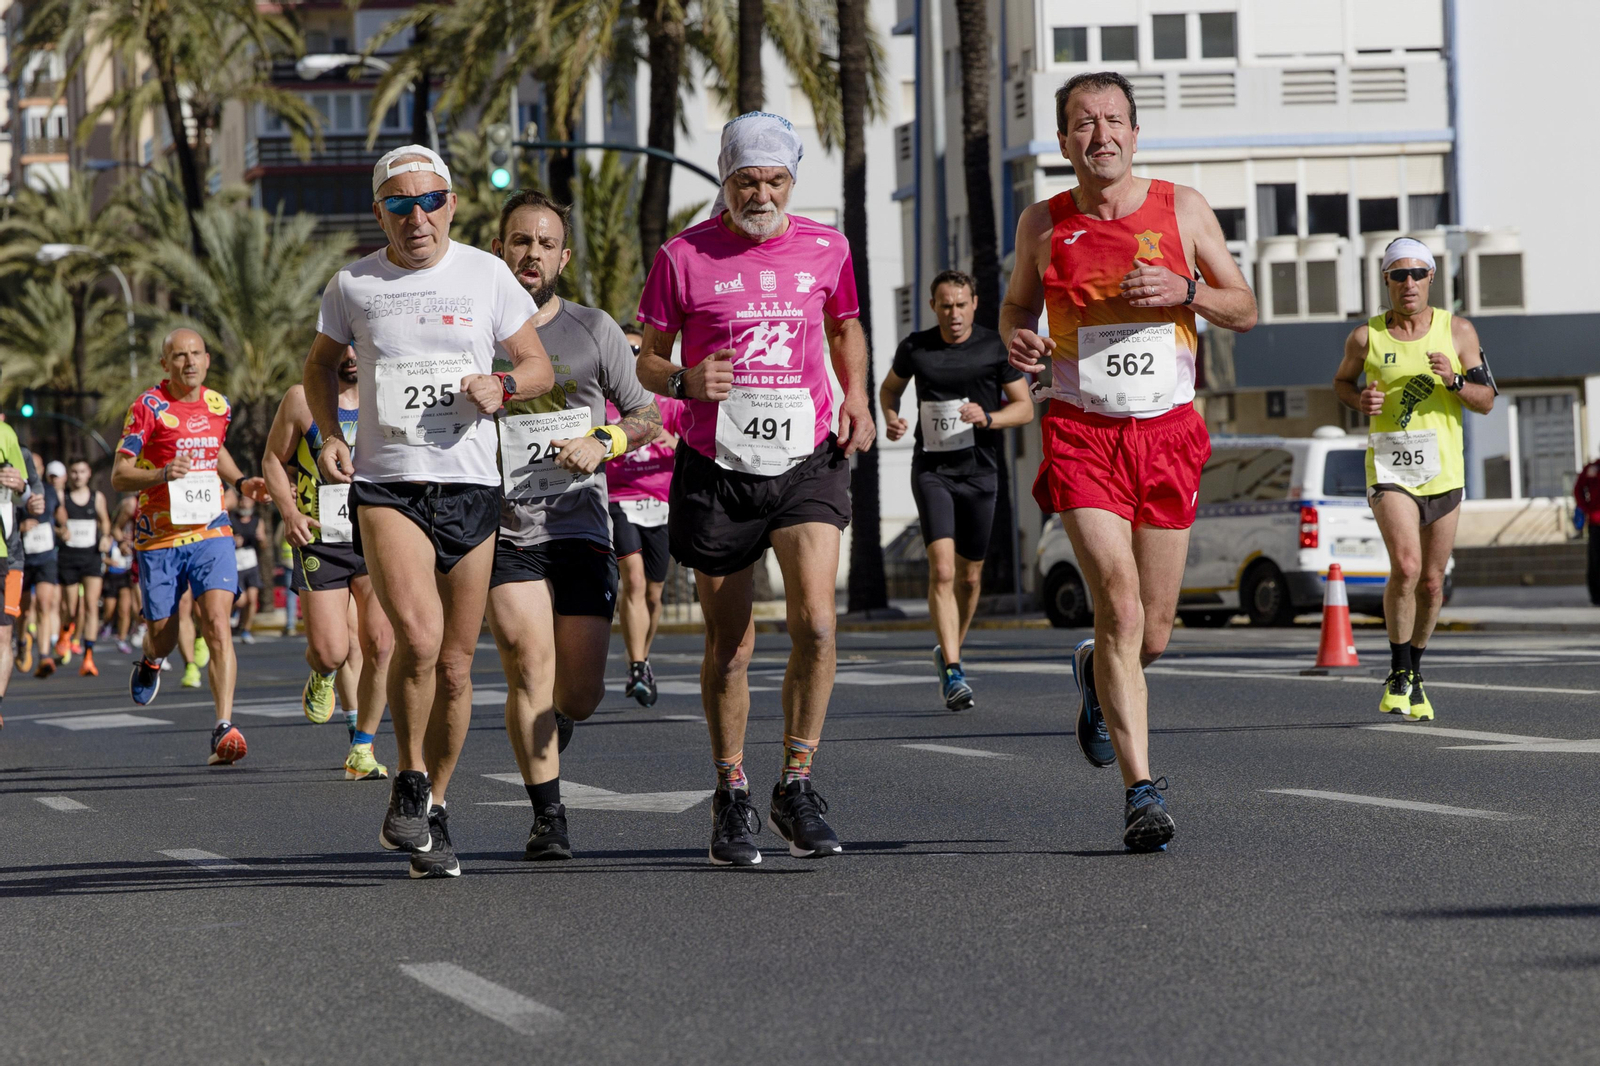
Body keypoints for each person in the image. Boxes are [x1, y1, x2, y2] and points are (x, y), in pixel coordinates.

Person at [1001, 72, 1257, 852]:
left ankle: (1094, 674)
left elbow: (1244, 307)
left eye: (1113, 120)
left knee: (1152, 634)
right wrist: (1017, 337)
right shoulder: (1043, 223)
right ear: (1064, 140)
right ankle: (1141, 791)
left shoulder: (1183, 208)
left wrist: (1187, 290)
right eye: (1084, 122)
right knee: (1116, 602)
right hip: (1082, 433)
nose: (1101, 134)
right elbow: (1016, 306)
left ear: (1135, 135)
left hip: (1168, 435)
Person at [304, 144, 552, 878]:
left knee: (455, 667)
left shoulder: (487, 274)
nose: (418, 217)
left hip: (471, 485)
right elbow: (319, 365)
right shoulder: (354, 284)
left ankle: (434, 809)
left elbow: (537, 365)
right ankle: (409, 777)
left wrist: (504, 387)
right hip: (390, 485)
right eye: (400, 204)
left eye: (431, 201)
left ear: (452, 204)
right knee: (417, 636)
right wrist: (329, 436)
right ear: (379, 212)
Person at [636, 111, 875, 866]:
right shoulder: (682, 257)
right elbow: (647, 360)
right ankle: (732, 789)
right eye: (747, 181)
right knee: (732, 646)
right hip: (719, 468)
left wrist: (857, 394)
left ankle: (795, 784)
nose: (761, 194)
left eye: (774, 180)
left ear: (791, 182)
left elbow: (845, 326)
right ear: (726, 180)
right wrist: (684, 380)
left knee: (818, 624)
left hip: (808, 458)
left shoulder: (828, 248)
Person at [485, 189, 663, 861]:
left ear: (563, 257)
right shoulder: (474, 329)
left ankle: (560, 718)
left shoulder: (594, 329)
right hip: (506, 529)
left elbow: (646, 415)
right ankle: (548, 817)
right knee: (527, 663)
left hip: (581, 526)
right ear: (499, 248)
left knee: (580, 693)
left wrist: (604, 441)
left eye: (545, 243)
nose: (531, 253)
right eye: (520, 241)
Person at [1334, 237, 1494, 721]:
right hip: (1390, 470)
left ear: (1431, 278)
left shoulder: (1457, 330)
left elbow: (1487, 399)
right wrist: (1359, 400)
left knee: (1431, 582)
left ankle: (1416, 671)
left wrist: (1454, 381)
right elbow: (1341, 383)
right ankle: (1398, 669)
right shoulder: (1366, 337)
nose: (1409, 283)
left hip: (1443, 471)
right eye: (1399, 274)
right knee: (1405, 566)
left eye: (1418, 274)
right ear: (1386, 280)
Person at [881, 270, 1034, 711]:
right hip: (933, 471)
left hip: (981, 473)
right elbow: (889, 390)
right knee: (944, 571)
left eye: (961, 305)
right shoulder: (916, 347)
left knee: (969, 577)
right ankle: (952, 669)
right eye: (946, 305)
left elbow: (1024, 409)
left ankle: (952, 650)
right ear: (934, 306)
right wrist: (891, 418)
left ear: (974, 304)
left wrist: (988, 417)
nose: (954, 314)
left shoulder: (993, 347)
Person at [116, 327, 269, 766]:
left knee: (217, 622)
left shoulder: (219, 405)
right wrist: (162, 473)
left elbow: (214, 451)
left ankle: (223, 725)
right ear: (165, 364)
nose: (189, 362)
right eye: (179, 355)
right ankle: (151, 658)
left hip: (210, 531)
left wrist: (241, 481)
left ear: (207, 359)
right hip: (159, 538)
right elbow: (120, 475)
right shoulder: (148, 407)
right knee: (163, 636)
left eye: (196, 353)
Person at [262, 347, 395, 782]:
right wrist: (289, 513)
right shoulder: (301, 399)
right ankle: (322, 673)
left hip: (376, 535)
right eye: (342, 345)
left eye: (358, 343)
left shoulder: (385, 392)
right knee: (332, 651)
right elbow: (273, 460)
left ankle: (362, 747)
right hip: (321, 540)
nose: (351, 354)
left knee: (380, 644)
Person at [607, 386, 684, 708]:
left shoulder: (669, 405)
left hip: (661, 503)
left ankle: (642, 658)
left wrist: (676, 443)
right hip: (619, 500)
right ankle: (637, 667)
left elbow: (701, 442)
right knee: (634, 581)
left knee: (654, 593)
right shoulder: (604, 406)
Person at [0, 412, 43, 724]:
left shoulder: (8, 438)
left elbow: (29, 492)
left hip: (9, 554)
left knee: (3, 634)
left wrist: (26, 496)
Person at [55, 459, 111, 677]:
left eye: (82, 471)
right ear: (69, 475)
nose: (78, 476)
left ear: (89, 474)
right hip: (69, 558)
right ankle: (65, 632)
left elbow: (104, 521)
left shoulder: (97, 498)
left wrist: (105, 536)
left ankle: (88, 657)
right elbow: (51, 522)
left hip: (91, 557)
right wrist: (61, 532)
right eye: (74, 472)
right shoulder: (62, 497)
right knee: (71, 609)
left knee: (90, 606)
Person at [18, 455, 62, 676]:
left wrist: (63, 528)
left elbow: (60, 516)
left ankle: (44, 656)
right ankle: (22, 642)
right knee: (24, 609)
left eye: (36, 467)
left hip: (46, 557)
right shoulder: (16, 493)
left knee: (45, 604)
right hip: (23, 558)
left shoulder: (50, 491)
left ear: (42, 469)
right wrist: (21, 526)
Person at [227, 489, 269, 644]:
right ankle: (234, 615)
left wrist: (262, 539)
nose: (245, 502)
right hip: (236, 563)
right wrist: (232, 541)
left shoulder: (257, 520)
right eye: (243, 499)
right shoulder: (231, 518)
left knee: (252, 599)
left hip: (251, 563)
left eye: (248, 500)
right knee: (241, 600)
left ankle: (245, 630)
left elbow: (264, 545)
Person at [1578, 459, 1600, 606]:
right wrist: (1586, 508)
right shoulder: (1592, 469)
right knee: (1596, 560)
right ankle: (1596, 595)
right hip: (1596, 522)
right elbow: (1578, 489)